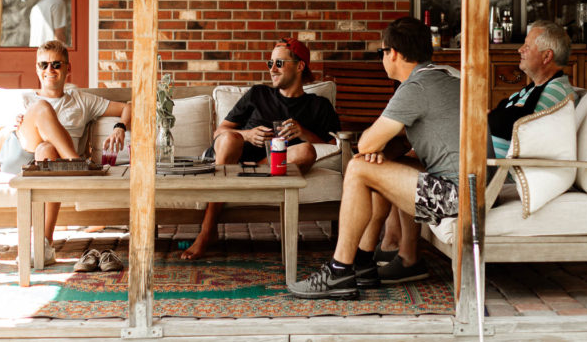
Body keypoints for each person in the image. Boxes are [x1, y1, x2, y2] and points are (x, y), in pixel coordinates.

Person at [289, 17, 461, 299]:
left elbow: (366, 144)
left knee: (358, 168)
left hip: (456, 197)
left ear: (392, 52)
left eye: (381, 52)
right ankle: (364, 264)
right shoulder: (445, 75)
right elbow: (404, 141)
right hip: (468, 185)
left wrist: (374, 150)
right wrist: (382, 153)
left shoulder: (416, 86)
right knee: (374, 165)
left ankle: (340, 269)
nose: (382, 59)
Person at [181, 37, 340, 261]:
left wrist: (303, 132)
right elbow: (219, 133)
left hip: (269, 165)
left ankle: (248, 173)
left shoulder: (318, 106)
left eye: (279, 63)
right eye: (270, 63)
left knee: (306, 151)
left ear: (300, 65)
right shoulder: (258, 94)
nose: (272, 69)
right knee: (229, 140)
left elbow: (334, 146)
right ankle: (207, 232)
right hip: (229, 158)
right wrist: (248, 134)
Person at [0, 40, 131, 266]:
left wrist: (120, 127)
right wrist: (12, 125)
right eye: (44, 65)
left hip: (53, 163)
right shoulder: (26, 99)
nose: (50, 70)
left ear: (68, 68)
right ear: (37, 69)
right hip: (21, 156)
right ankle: (77, 163)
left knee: (48, 150)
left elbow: (128, 106)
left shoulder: (82, 100)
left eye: (56, 64)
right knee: (41, 108)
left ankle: (43, 244)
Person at [488, 20, 575, 160]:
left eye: (527, 46)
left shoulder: (555, 90)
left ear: (546, 56)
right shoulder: (536, 88)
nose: (520, 49)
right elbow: (504, 117)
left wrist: (486, 118)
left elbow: (519, 126)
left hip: (495, 171)